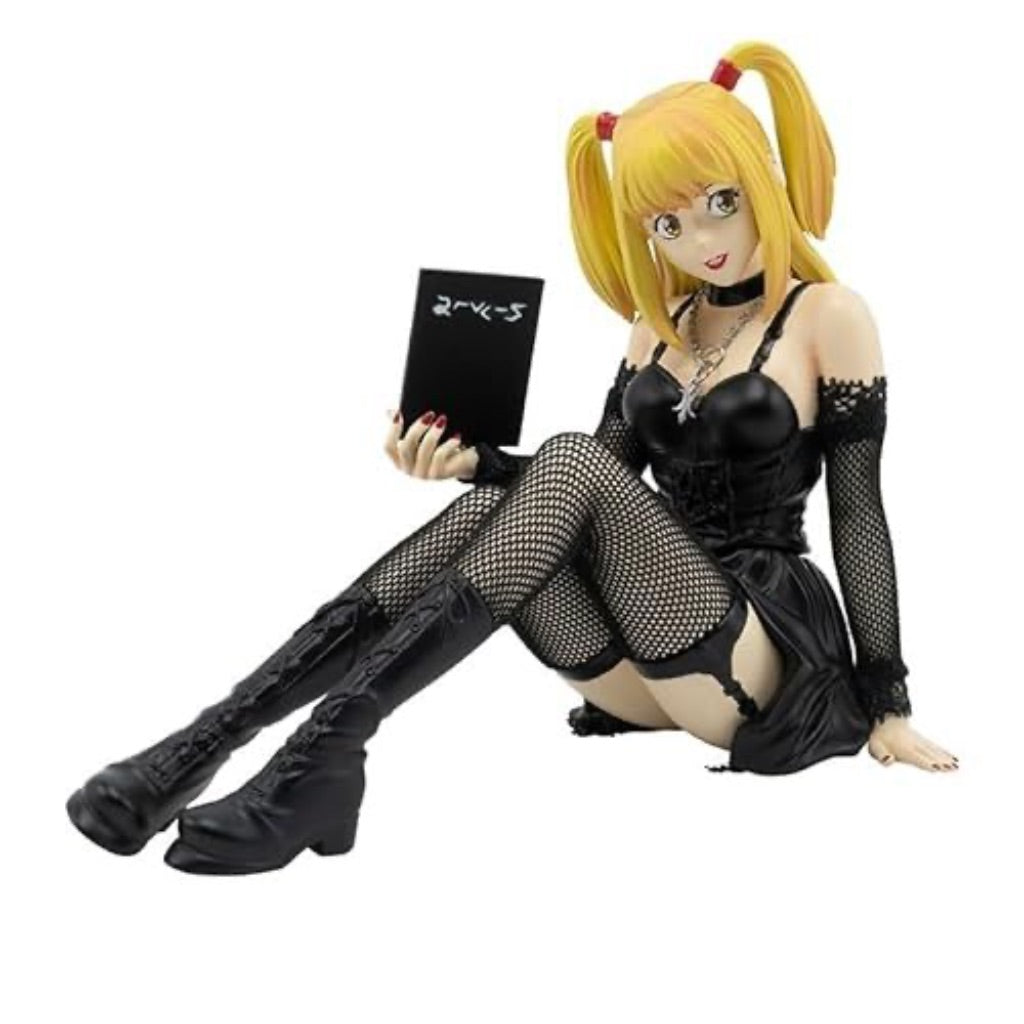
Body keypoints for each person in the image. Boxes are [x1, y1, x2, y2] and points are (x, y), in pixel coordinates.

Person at [66, 39, 957, 876]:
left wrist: (887, 702)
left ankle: (321, 754)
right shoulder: (659, 326)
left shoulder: (829, 315)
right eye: (668, 223)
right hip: (641, 665)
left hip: (756, 654)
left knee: (560, 465)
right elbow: (598, 481)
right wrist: (478, 467)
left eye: (721, 202)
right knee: (498, 504)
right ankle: (207, 743)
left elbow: (858, 509)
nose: (701, 239)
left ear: (761, 178)